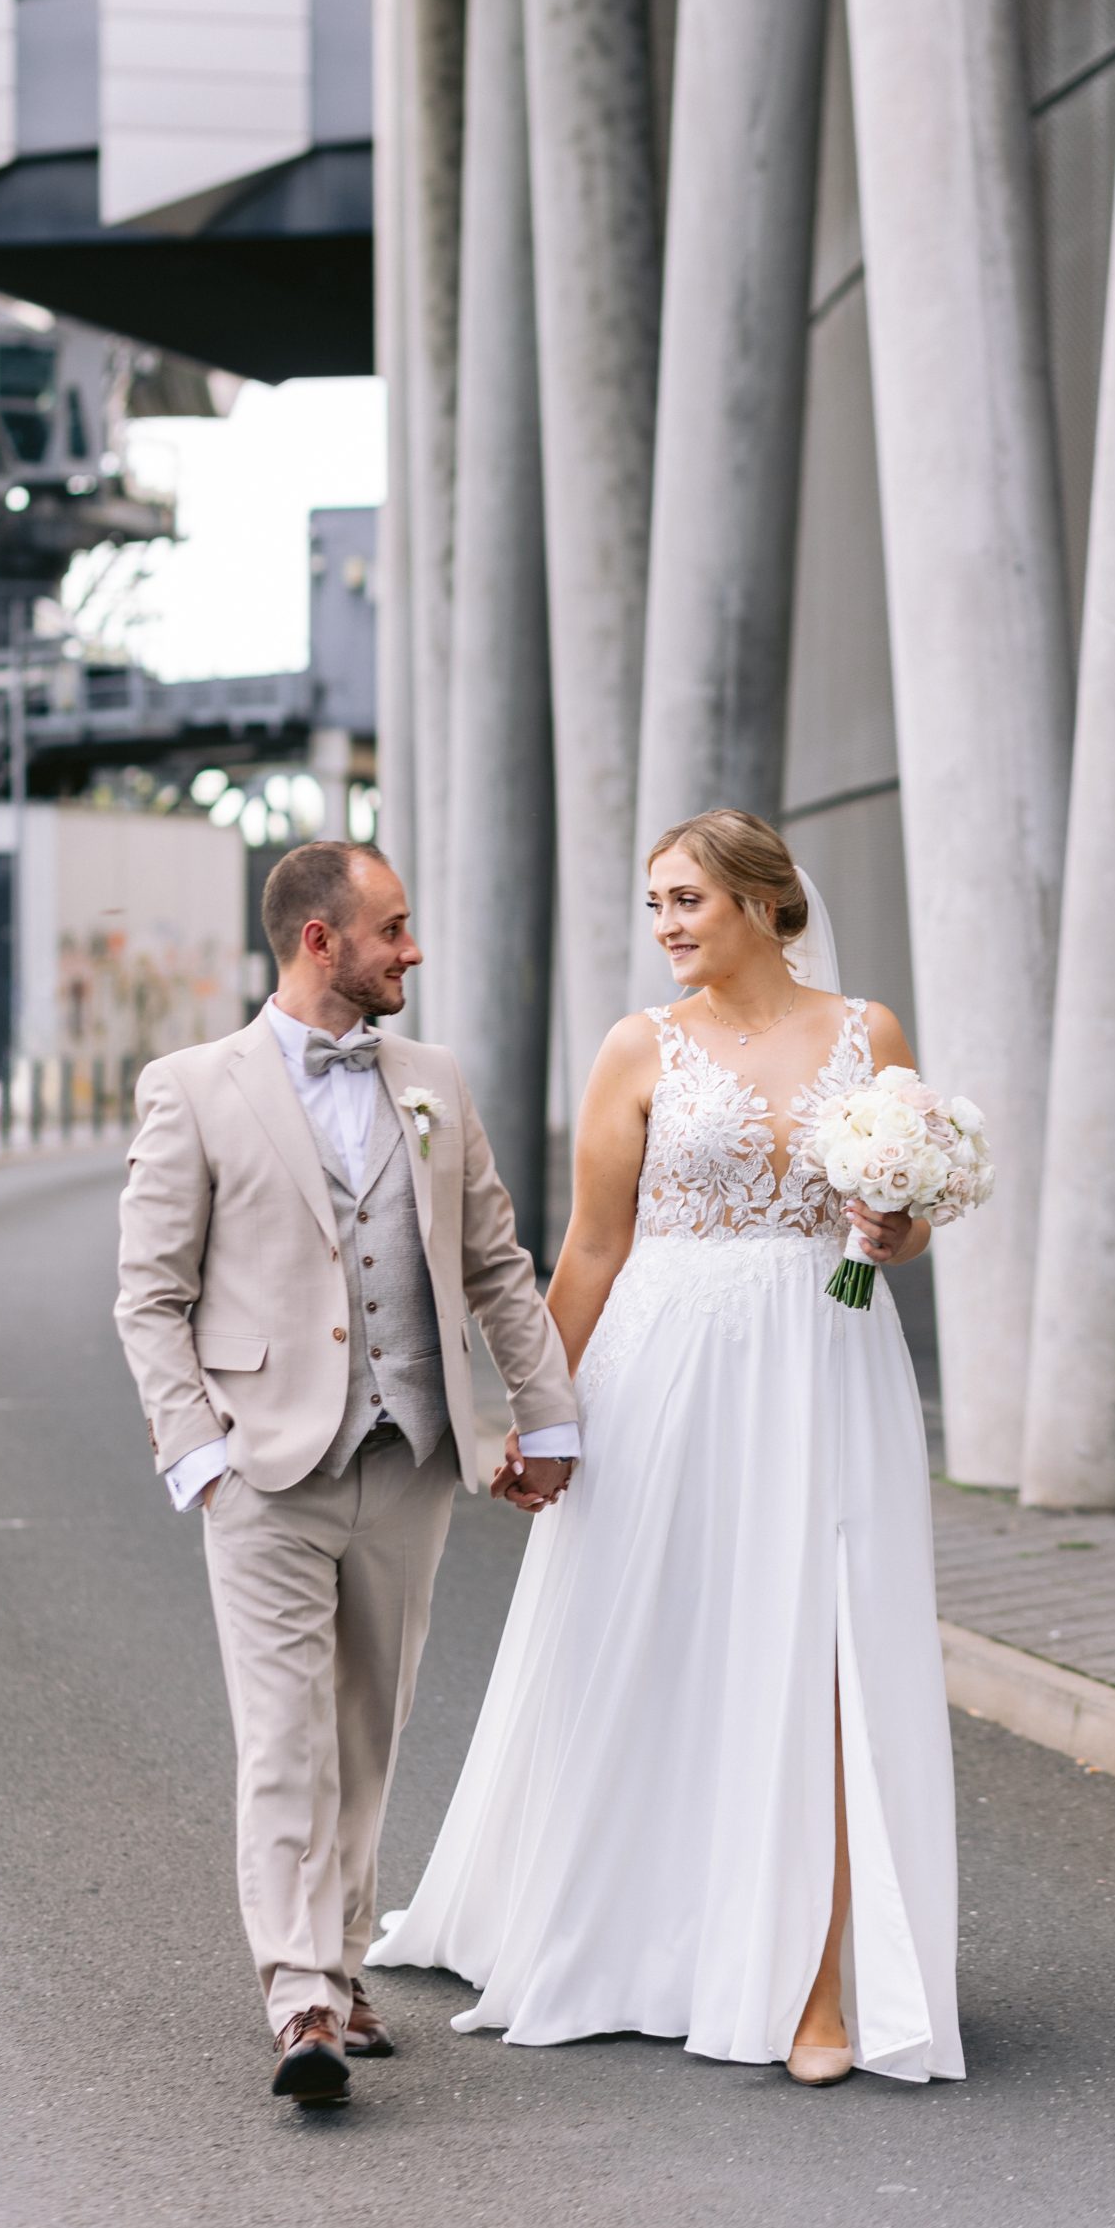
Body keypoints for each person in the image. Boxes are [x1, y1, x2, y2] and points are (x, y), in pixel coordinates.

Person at [369, 809, 964, 2087]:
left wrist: (892, 1222)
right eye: (655, 905)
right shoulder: (640, 1047)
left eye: (686, 898)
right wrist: (545, 1411)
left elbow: (901, 1238)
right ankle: (637, 1930)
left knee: (821, 1652)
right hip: (664, 1365)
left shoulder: (873, 1035)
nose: (667, 926)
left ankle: (812, 1984)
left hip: (822, 1360)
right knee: (657, 1636)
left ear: (762, 900)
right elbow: (590, 1248)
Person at [114, 841, 578, 2104]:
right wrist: (199, 1451)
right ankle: (301, 1994)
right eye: (394, 928)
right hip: (264, 1465)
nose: (411, 949)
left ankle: (346, 1958)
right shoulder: (195, 1087)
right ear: (322, 940)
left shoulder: (432, 1080)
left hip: (410, 1457)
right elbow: (149, 1295)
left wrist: (547, 1417)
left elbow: (494, 1262)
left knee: (367, 1731)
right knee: (283, 1740)